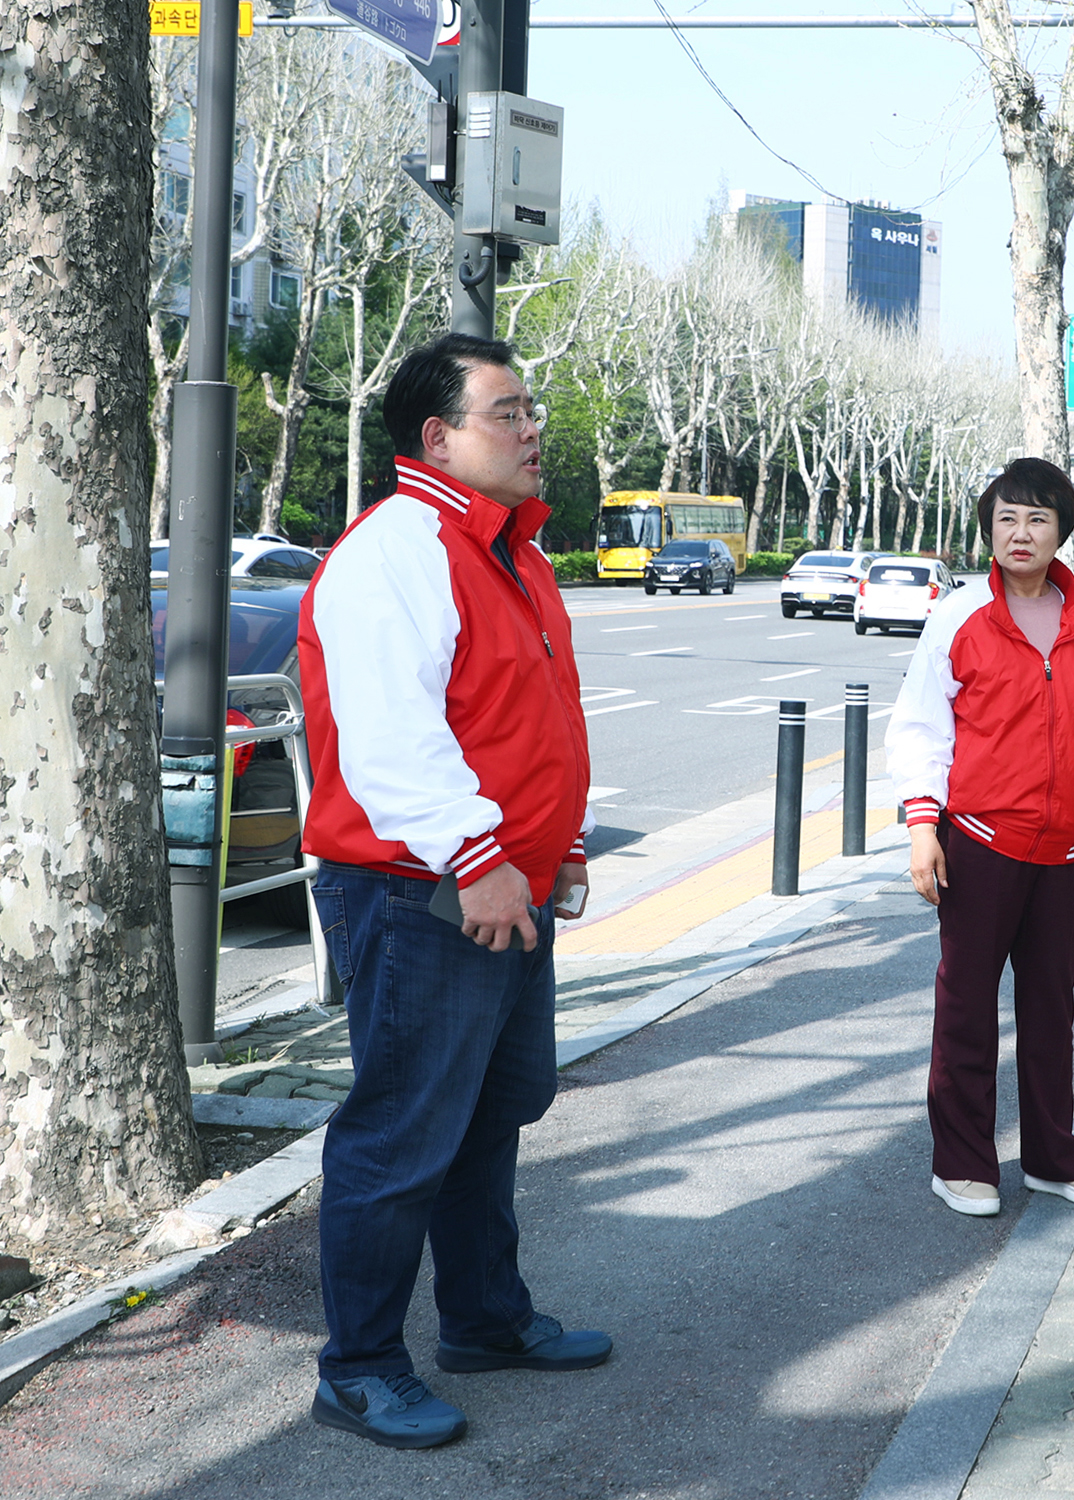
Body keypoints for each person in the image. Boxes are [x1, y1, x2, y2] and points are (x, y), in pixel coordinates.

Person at [299, 333, 609, 1451]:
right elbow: (393, 739)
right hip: (421, 891)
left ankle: (484, 1318)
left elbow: (522, 723)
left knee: (493, 1113)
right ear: (437, 438)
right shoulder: (401, 549)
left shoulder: (511, 551)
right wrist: (478, 856)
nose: (534, 431)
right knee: (400, 1132)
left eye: (533, 411)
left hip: (501, 886)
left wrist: (549, 846)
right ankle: (359, 1369)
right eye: (509, 413)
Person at [887, 458, 1074, 1219]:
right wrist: (921, 828)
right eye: (1005, 519)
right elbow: (921, 728)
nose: (1020, 533)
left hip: (1064, 852)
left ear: (1062, 529)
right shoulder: (959, 616)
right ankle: (961, 1161)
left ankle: (1051, 1157)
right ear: (988, 531)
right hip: (979, 844)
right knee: (965, 1005)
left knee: (1050, 1008)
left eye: (1036, 518)